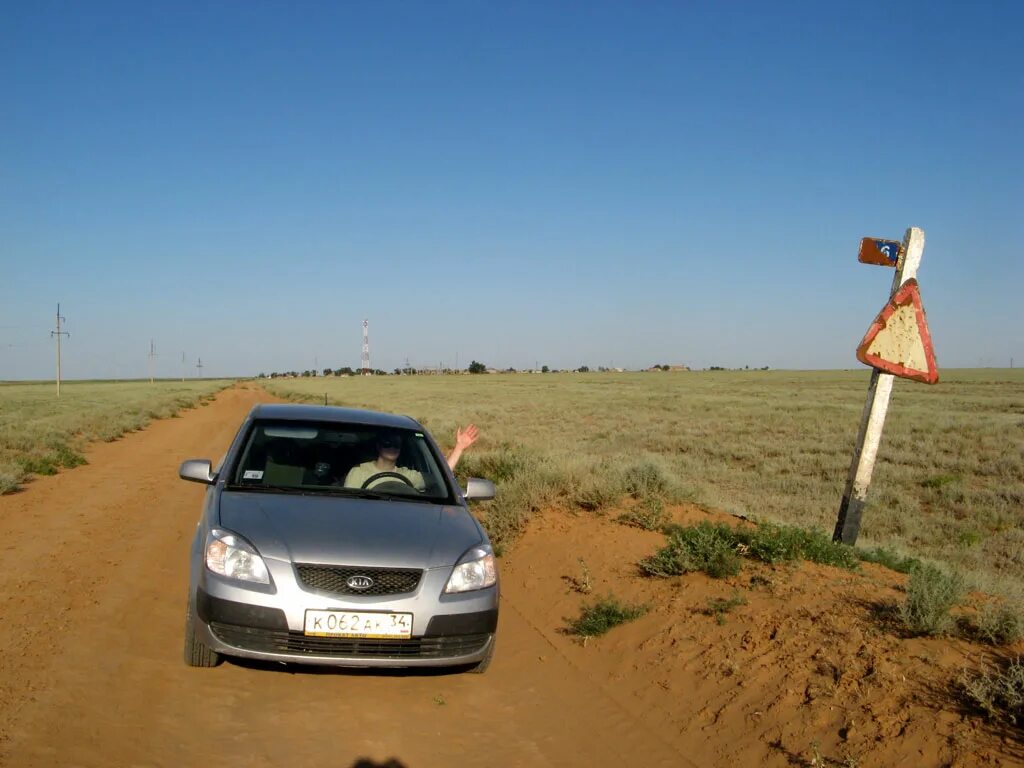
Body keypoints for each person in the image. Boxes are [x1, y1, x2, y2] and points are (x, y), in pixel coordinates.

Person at [343, 424, 479, 490]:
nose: (392, 447)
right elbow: (347, 505)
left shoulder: (409, 476)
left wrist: (459, 448)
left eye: (396, 444)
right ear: (378, 446)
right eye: (387, 443)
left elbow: (442, 478)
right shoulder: (359, 472)